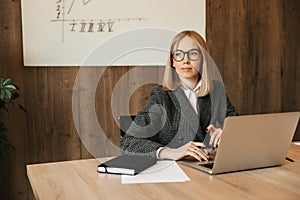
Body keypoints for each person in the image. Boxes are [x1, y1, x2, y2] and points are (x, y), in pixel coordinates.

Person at [120, 30, 238, 161]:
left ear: (203, 59)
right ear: (172, 62)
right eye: (178, 54)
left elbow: (241, 129)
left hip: (206, 167)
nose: (185, 60)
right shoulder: (161, 95)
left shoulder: (217, 91)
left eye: (193, 54)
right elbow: (128, 143)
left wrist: (227, 134)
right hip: (174, 171)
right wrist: (170, 152)